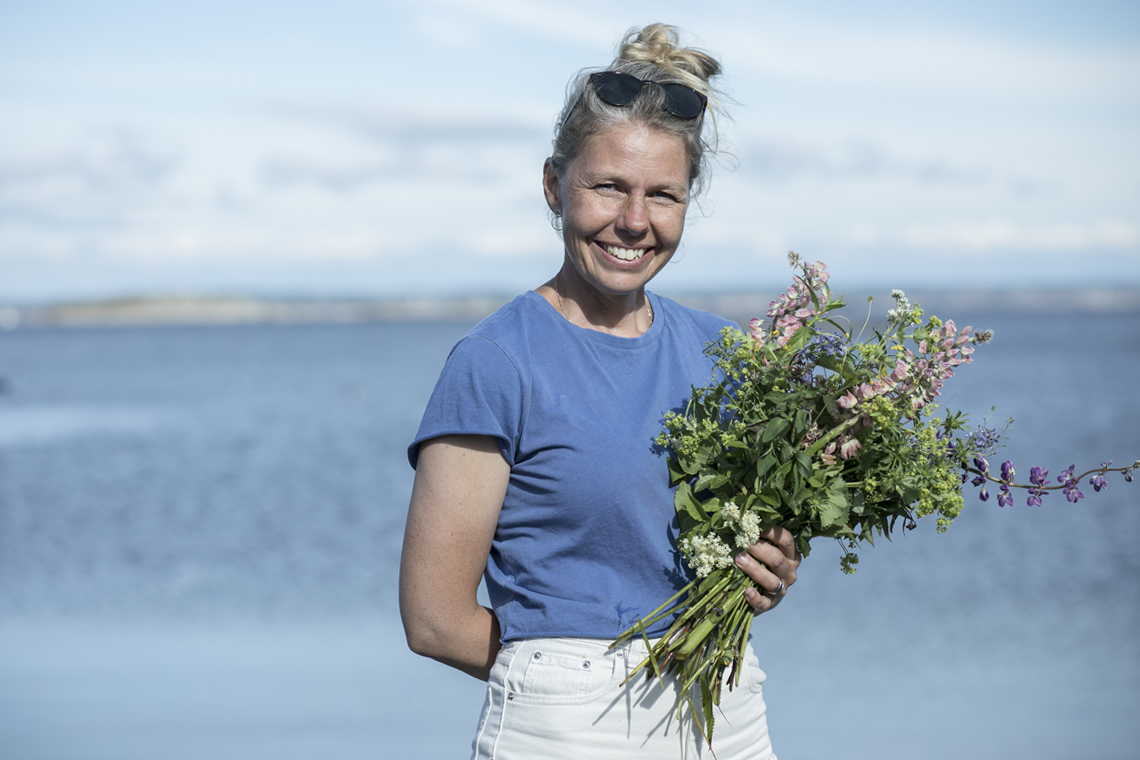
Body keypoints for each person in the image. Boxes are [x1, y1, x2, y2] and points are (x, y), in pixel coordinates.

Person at [399, 23, 799, 759]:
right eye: (608, 186)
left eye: (663, 195)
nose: (634, 222)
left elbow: (725, 552)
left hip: (727, 708)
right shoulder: (496, 363)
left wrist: (768, 572)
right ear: (554, 186)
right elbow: (433, 620)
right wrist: (573, 682)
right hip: (564, 727)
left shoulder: (728, 355)